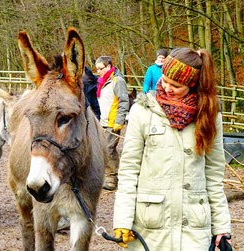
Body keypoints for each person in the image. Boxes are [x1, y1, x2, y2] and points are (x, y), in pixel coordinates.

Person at [113, 48, 231, 250]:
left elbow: (213, 175)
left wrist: (221, 226)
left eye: (176, 85)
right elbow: (129, 171)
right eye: (165, 80)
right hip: (150, 227)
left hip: (194, 229)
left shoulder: (210, 117)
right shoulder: (142, 111)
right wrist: (122, 220)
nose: (167, 88)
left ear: (192, 85)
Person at [95, 55, 129, 191]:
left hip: (112, 122)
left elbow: (123, 101)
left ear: (108, 66)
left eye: (100, 68)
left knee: (109, 150)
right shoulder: (102, 81)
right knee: (102, 150)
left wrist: (119, 121)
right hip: (102, 121)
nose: (98, 71)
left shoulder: (117, 81)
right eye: (97, 69)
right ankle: (105, 175)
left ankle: (112, 179)